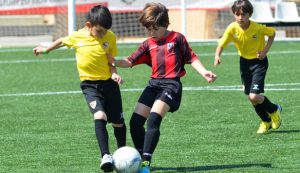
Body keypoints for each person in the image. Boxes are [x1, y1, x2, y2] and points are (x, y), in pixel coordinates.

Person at [110, 3, 217, 173]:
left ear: (165, 24)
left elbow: (191, 57)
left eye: (154, 29)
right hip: (153, 85)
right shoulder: (148, 44)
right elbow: (129, 61)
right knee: (135, 123)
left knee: (153, 119)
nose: (151, 33)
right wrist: (112, 61)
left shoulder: (177, 39)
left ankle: (145, 162)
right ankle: (138, 156)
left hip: (171, 85)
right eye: (148, 29)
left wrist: (204, 72)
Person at [33, 5, 126, 172]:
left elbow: (110, 60)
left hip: (109, 84)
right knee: (100, 115)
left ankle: (123, 153)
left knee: (118, 123)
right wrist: (45, 50)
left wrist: (114, 73)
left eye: (105, 31)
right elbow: (62, 41)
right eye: (99, 31)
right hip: (90, 85)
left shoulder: (110, 37)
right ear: (89, 25)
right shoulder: (78, 36)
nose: (103, 34)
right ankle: (105, 155)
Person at [214, 0, 282, 134]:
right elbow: (222, 43)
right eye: (237, 14)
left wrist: (265, 51)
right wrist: (217, 55)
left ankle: (274, 109)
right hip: (244, 63)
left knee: (253, 96)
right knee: (250, 97)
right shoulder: (232, 28)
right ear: (234, 14)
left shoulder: (257, 28)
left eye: (243, 14)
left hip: (259, 62)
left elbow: (272, 33)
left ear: (249, 14)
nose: (240, 18)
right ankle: (266, 121)